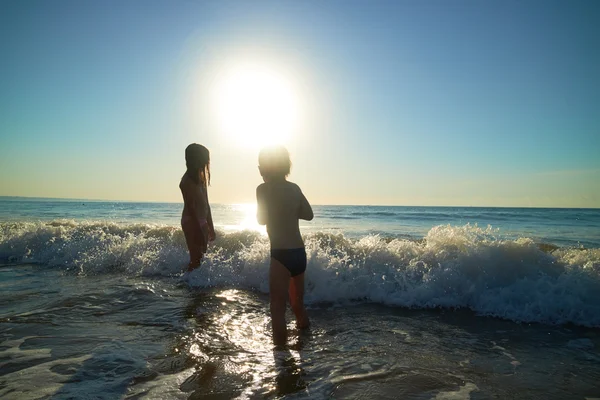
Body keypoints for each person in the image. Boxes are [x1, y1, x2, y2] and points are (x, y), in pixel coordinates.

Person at [256, 145, 313, 345]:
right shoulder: (295, 188)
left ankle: (281, 359)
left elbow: (261, 220)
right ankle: (305, 341)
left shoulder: (263, 189)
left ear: (267, 167)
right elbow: (309, 214)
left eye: (260, 165)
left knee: (277, 308)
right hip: (299, 252)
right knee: (297, 303)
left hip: (280, 254)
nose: (258, 168)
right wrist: (290, 209)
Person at [180, 143, 215, 271]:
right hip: (191, 221)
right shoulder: (187, 181)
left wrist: (211, 226)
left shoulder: (201, 179)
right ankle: (188, 284)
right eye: (205, 159)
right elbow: (191, 208)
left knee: (201, 258)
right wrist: (198, 230)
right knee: (196, 259)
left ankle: (194, 285)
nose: (206, 163)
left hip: (202, 221)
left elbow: (206, 204)